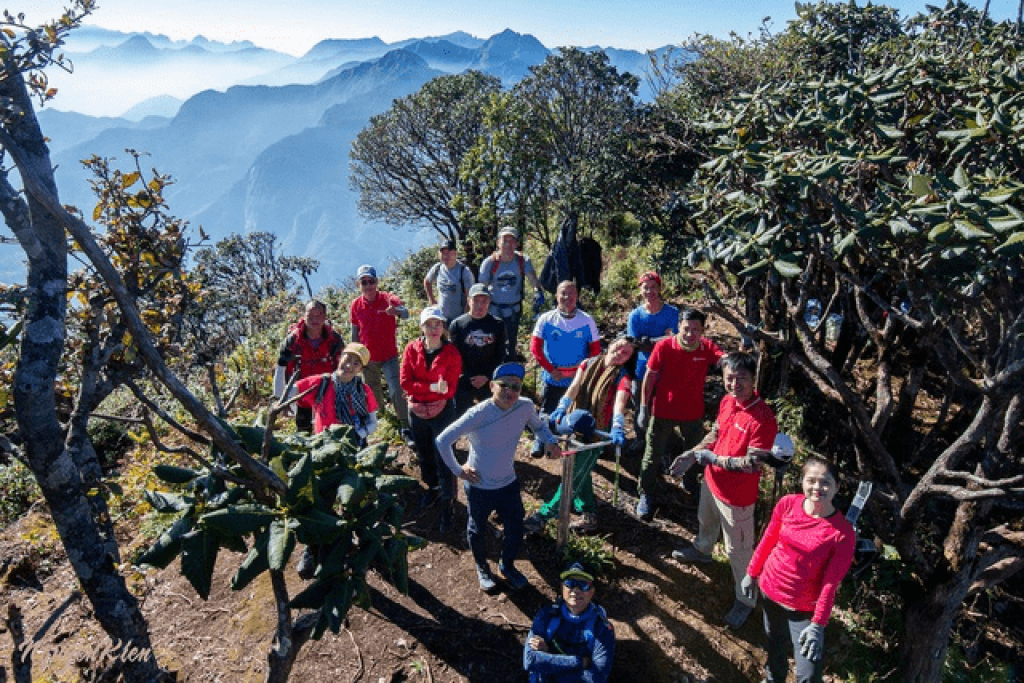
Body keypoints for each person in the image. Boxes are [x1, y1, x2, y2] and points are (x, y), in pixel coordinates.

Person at [670, 351, 778, 630]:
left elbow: (753, 463)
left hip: (738, 498)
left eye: (741, 378)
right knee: (706, 522)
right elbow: (715, 433)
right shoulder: (728, 401)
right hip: (711, 482)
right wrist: (693, 454)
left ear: (754, 379)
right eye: (729, 377)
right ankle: (703, 550)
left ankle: (746, 599)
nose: (734, 384)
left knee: (739, 550)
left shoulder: (763, 417)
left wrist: (715, 460)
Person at [436, 363, 561, 592]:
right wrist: (458, 470)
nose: (510, 392)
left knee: (515, 527)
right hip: (479, 485)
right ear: (492, 386)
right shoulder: (478, 413)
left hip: (508, 483)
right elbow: (442, 440)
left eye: (516, 387)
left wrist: (550, 441)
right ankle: (482, 568)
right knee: (478, 529)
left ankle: (507, 565)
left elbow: (539, 426)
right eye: (504, 385)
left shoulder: (524, 406)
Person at [742, 456, 856, 683]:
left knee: (809, 674)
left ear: (837, 487)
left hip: (804, 609)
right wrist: (751, 572)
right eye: (811, 481)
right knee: (775, 644)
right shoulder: (788, 503)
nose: (817, 488)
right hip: (770, 591)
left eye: (825, 482)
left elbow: (830, 583)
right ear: (802, 482)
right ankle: (773, 679)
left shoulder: (842, 533)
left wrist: (818, 625)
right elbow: (769, 539)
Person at [524, 335, 636, 534]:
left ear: (629, 358)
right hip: (573, 426)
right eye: (619, 347)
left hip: (595, 434)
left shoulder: (622, 377)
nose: (620, 353)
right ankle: (589, 514)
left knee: (572, 479)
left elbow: (620, 402)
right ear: (611, 344)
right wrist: (562, 406)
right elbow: (574, 387)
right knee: (581, 473)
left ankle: (544, 515)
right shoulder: (588, 363)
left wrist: (618, 425)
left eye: (626, 353)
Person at [635, 307, 723, 519]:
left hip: (692, 412)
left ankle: (690, 483)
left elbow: (724, 361)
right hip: (663, 409)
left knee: (694, 451)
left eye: (695, 329)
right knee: (652, 454)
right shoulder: (665, 346)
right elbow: (650, 376)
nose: (690, 334)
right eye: (686, 328)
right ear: (678, 327)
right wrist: (644, 407)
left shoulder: (706, 348)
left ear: (702, 330)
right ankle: (646, 492)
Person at [400, 306, 462, 532]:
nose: (434, 329)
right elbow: (405, 383)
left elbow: (450, 390)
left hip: (442, 411)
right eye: (429, 324)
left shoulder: (451, 353)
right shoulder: (411, 349)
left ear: (443, 327)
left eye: (438, 324)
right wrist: (432, 387)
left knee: (444, 454)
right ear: (422, 327)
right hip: (417, 411)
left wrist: (425, 391)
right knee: (424, 451)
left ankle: (448, 501)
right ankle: (432, 487)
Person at [529, 280, 601, 458]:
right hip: (554, 376)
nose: (567, 297)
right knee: (548, 410)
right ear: (556, 296)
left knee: (578, 413)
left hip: (578, 378)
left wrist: (585, 372)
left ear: (577, 296)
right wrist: (550, 369)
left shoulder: (587, 320)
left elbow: (596, 350)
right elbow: (535, 348)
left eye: (571, 293)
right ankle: (541, 442)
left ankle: (578, 448)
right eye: (563, 293)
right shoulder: (546, 319)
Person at [349, 264, 412, 443]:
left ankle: (404, 424)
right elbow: (354, 332)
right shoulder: (355, 305)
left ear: (377, 282)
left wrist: (397, 311)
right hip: (367, 357)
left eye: (371, 281)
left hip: (389, 355)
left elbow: (406, 314)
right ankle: (382, 419)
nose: (368, 285)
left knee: (396, 389)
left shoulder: (387, 299)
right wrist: (354, 355)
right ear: (359, 284)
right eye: (364, 282)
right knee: (373, 390)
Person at [523, 561, 615, 683]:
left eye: (583, 585)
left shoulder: (602, 627)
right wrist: (581, 662)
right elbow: (529, 661)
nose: (575, 590)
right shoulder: (546, 615)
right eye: (570, 583)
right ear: (562, 588)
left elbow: (597, 677)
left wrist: (548, 657)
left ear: (592, 591)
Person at [625, 271, 679, 450]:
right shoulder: (635, 315)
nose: (650, 292)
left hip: (666, 369)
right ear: (640, 291)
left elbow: (676, 340)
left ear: (659, 288)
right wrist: (661, 339)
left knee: (663, 408)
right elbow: (635, 342)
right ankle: (641, 439)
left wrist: (651, 341)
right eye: (645, 288)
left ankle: (663, 446)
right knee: (640, 405)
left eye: (653, 287)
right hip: (641, 368)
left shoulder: (672, 313)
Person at [273, 299, 345, 433]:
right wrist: (283, 401)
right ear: (304, 316)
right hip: (301, 393)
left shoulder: (334, 340)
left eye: (318, 315)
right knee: (304, 431)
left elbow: (342, 368)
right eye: (310, 315)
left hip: (327, 392)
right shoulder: (293, 341)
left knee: (328, 430)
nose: (314, 319)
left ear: (324, 317)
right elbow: (285, 371)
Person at [290, 342, 378, 444]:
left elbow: (373, 423)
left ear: (360, 369)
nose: (349, 365)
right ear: (340, 357)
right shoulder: (321, 383)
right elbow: (283, 394)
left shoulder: (363, 390)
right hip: (324, 447)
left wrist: (357, 435)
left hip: (355, 448)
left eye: (356, 363)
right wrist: (281, 365)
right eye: (348, 359)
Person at [478, 226, 545, 359]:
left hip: (514, 309)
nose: (508, 244)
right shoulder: (489, 263)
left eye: (512, 241)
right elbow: (481, 288)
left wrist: (537, 292)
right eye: (505, 240)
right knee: (493, 341)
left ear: (516, 243)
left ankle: (511, 367)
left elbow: (533, 280)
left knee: (511, 341)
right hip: (494, 309)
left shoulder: (522, 260)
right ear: (498, 242)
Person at [449, 282, 507, 417]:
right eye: (476, 300)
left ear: (489, 302)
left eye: (484, 301)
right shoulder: (457, 325)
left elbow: (501, 354)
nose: (480, 305)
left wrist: (486, 376)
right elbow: (455, 356)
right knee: (461, 417)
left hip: (490, 376)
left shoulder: (498, 324)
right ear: (468, 301)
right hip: (465, 376)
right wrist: (470, 376)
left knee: (492, 415)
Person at [423, 239, 475, 324]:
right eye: (443, 253)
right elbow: (427, 281)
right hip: (441, 318)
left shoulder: (464, 272)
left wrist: (466, 318)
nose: (445, 256)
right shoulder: (437, 268)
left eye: (448, 253)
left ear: (455, 253)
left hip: (459, 318)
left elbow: (470, 297)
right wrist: (432, 300)